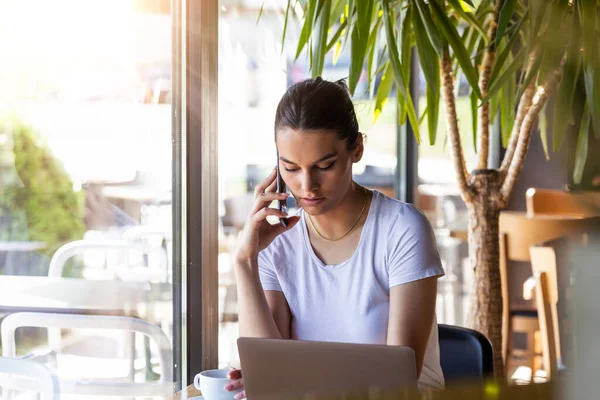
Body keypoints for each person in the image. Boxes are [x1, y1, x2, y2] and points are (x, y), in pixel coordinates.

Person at [225, 77, 445, 399]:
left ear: (356, 149)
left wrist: (291, 380)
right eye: (290, 168)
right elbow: (267, 376)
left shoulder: (402, 230)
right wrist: (245, 262)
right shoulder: (277, 239)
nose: (307, 185)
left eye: (324, 166)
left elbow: (397, 378)